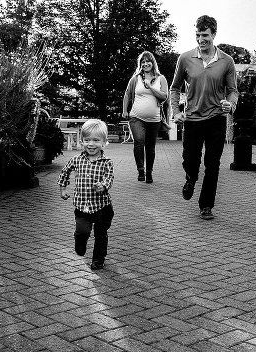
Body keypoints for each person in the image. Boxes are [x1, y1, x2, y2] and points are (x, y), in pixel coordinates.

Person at [170, 15, 238, 220]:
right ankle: (191, 178)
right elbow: (174, 88)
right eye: (198, 35)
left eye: (205, 35)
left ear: (214, 34)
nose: (201, 39)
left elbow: (233, 90)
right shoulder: (185, 58)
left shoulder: (227, 61)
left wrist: (230, 103)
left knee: (213, 163)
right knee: (190, 160)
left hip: (216, 118)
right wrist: (176, 112)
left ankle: (206, 205)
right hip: (192, 118)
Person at [58, 119, 115, 270]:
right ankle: (80, 241)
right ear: (82, 141)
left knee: (101, 234)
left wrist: (103, 186)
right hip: (82, 206)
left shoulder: (107, 162)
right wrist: (63, 189)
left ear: (104, 142)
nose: (91, 144)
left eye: (96, 140)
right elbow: (65, 173)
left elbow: (109, 178)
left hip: (102, 206)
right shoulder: (76, 160)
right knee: (83, 231)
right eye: (87, 140)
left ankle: (98, 259)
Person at [122, 51, 171, 184]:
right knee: (138, 141)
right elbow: (127, 94)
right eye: (142, 62)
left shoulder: (161, 79)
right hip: (136, 117)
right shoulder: (135, 78)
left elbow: (164, 96)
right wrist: (124, 110)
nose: (145, 64)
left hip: (154, 120)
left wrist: (150, 87)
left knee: (150, 147)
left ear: (153, 62)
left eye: (147, 61)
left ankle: (149, 172)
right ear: (140, 64)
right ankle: (140, 170)